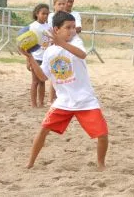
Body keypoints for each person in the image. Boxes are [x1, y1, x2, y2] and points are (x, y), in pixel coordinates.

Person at [20, 11, 108, 171]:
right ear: (56, 29)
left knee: (102, 135)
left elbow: (82, 54)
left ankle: (101, 164)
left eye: (74, 27)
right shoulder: (49, 52)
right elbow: (43, 77)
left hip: (85, 100)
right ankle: (30, 162)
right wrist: (30, 58)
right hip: (63, 101)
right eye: (68, 27)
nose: (72, 30)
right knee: (43, 130)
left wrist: (61, 43)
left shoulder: (76, 41)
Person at [27, 3, 50, 108]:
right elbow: (27, 44)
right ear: (37, 14)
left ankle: (41, 103)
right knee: (35, 81)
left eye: (47, 14)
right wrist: (28, 59)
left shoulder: (48, 26)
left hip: (46, 58)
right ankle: (33, 103)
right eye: (43, 13)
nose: (45, 16)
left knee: (42, 81)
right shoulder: (32, 27)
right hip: (36, 58)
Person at [47, 0, 67, 104]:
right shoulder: (50, 17)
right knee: (55, 73)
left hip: (64, 47)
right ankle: (51, 98)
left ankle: (61, 96)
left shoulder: (67, 17)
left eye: (64, 4)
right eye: (59, 4)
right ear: (54, 5)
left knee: (63, 72)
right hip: (53, 47)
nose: (62, 6)